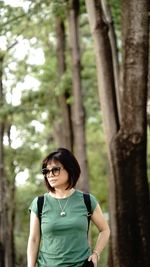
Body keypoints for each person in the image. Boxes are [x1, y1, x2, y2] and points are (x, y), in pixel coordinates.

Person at [27, 147, 110, 267]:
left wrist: (96, 254)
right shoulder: (39, 203)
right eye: (46, 171)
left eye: (55, 170)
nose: (50, 175)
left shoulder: (87, 200)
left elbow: (105, 230)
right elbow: (34, 239)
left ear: (70, 169)